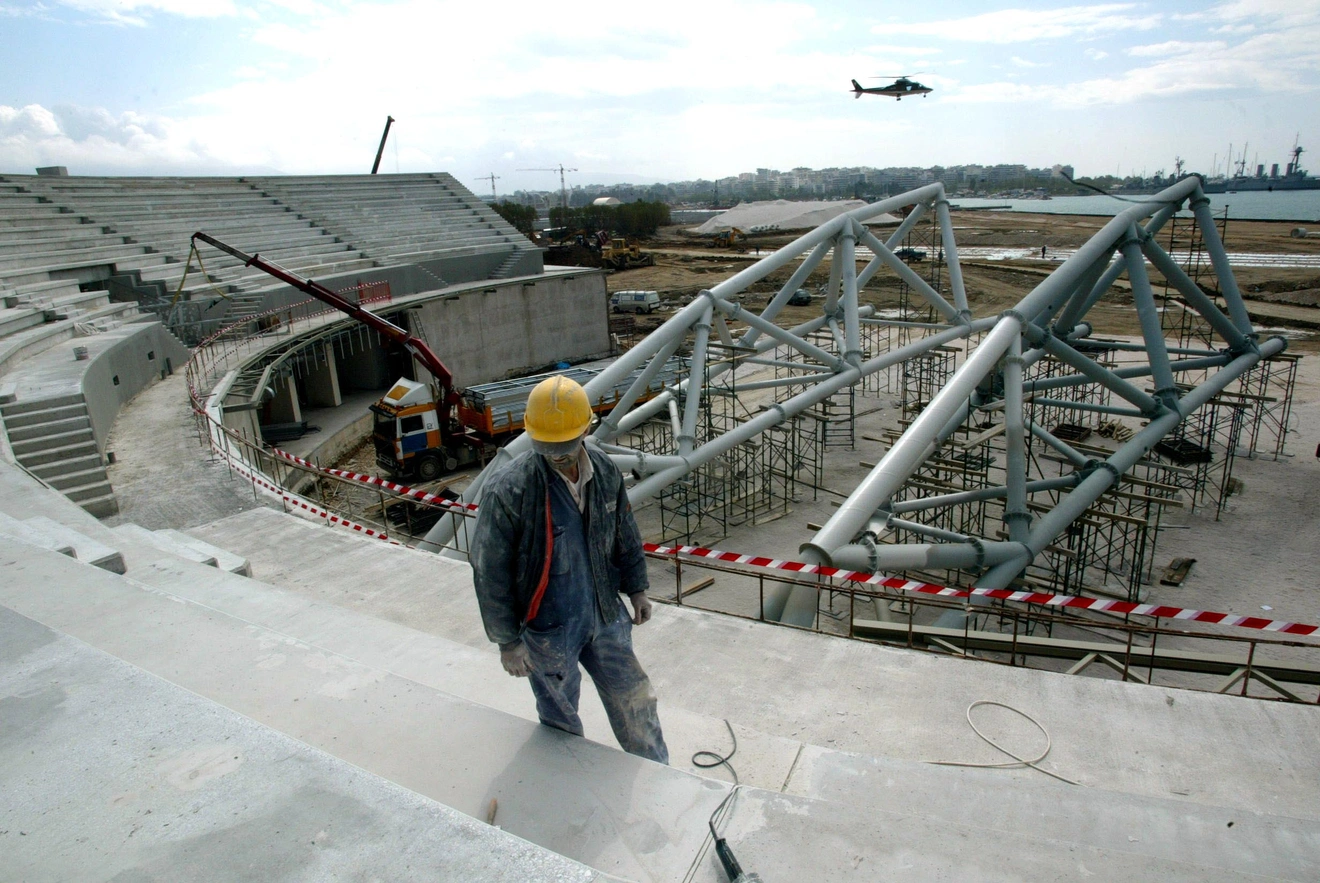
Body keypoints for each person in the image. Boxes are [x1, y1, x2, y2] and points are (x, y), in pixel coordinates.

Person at [470, 375, 668, 763]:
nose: (557, 456)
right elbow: (488, 570)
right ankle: (569, 786)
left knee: (634, 697)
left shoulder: (604, 470)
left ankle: (655, 771)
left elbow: (624, 529)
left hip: (604, 612)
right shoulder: (510, 490)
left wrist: (638, 587)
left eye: (564, 447)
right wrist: (508, 642)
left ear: (585, 430)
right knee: (560, 715)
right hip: (548, 626)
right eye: (548, 448)